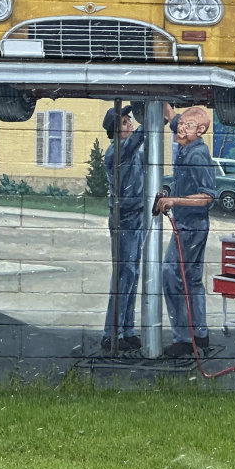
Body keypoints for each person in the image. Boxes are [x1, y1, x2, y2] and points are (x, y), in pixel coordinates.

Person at [154, 105, 216, 357]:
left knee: (171, 274)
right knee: (192, 280)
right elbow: (172, 117)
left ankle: (183, 339)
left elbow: (207, 196)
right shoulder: (186, 139)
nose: (180, 129)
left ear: (200, 130)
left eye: (187, 126)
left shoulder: (197, 155)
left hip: (191, 225)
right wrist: (164, 102)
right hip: (192, 225)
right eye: (181, 125)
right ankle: (200, 334)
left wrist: (174, 200)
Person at [101, 104, 147, 352]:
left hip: (137, 217)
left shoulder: (133, 153)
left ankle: (126, 330)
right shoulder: (117, 152)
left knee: (133, 274)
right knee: (123, 276)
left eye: (130, 120)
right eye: (125, 122)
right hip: (124, 220)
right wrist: (152, 114)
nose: (130, 124)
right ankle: (111, 334)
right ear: (115, 131)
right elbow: (141, 135)